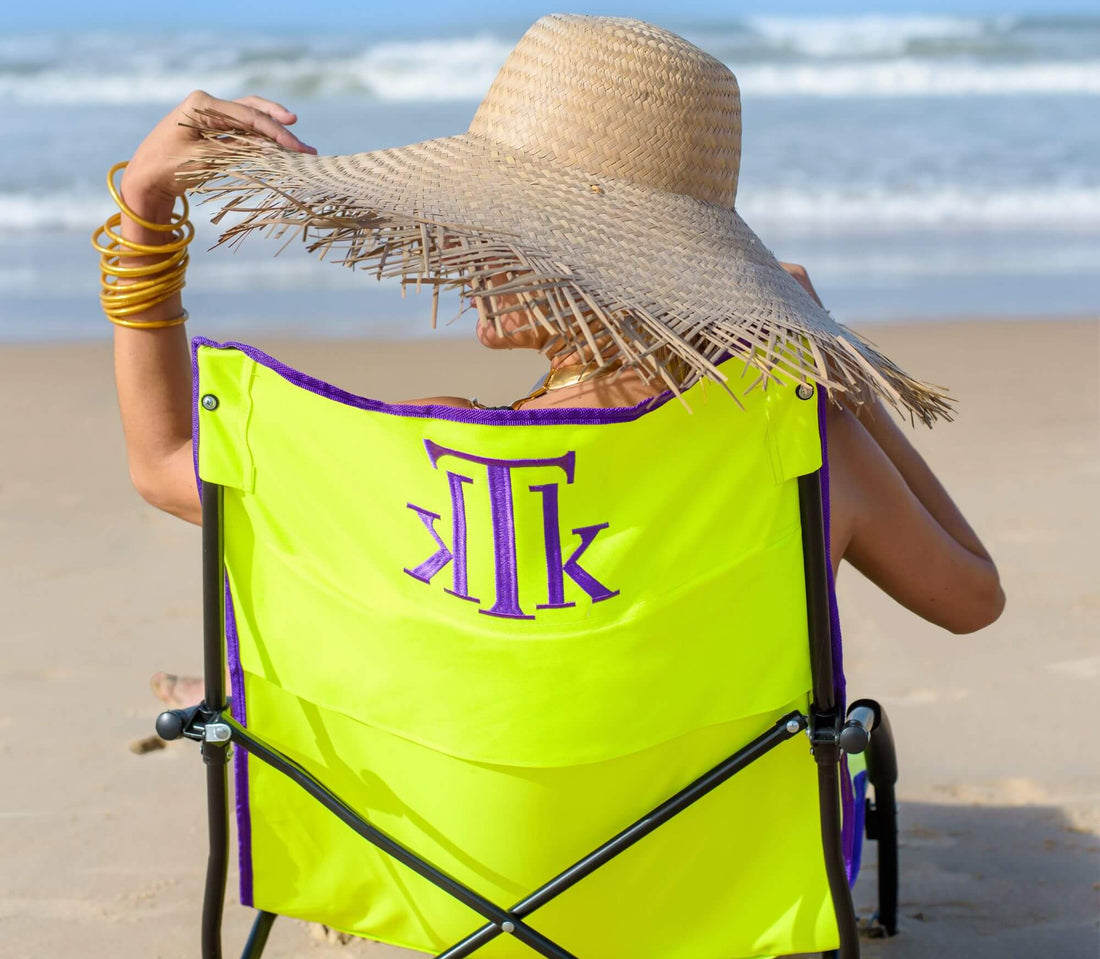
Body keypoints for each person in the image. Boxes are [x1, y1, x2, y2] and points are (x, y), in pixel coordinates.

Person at [102, 18, 1001, 705]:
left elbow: (159, 466)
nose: (462, 244)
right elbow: (973, 599)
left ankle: (249, 696)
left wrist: (145, 204)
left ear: (604, 261)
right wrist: (830, 369)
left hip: (449, 862)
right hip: (714, 871)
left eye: (502, 227)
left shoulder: (427, 449)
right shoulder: (799, 448)